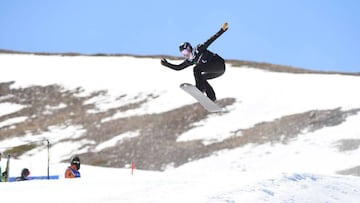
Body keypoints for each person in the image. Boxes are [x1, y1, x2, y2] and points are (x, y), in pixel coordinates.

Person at [161, 22, 229, 101]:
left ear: (189, 48)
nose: (185, 54)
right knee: (202, 78)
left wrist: (221, 30)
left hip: (218, 63)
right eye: (183, 53)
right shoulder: (190, 60)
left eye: (185, 52)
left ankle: (200, 89)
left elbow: (210, 40)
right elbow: (179, 67)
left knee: (196, 69)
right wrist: (167, 64)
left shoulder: (198, 49)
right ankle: (212, 98)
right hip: (218, 71)